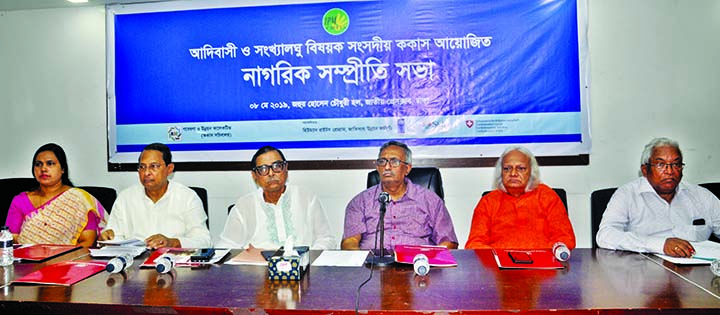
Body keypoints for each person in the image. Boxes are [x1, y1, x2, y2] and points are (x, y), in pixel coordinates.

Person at [596, 137, 720, 257]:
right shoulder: (627, 195)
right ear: (645, 170)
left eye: (676, 164)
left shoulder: (701, 196)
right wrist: (659, 244)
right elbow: (605, 235)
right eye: (661, 164)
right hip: (645, 271)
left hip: (698, 270)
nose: (670, 171)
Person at [341, 141, 458, 250]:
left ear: (407, 168)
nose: (387, 167)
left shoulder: (430, 200)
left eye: (394, 162)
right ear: (377, 167)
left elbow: (448, 242)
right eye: (382, 162)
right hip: (373, 266)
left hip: (417, 265)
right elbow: (350, 241)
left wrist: (429, 261)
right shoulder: (360, 202)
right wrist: (361, 264)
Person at [216, 146, 335, 249]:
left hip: (300, 269)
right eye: (263, 169)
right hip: (258, 271)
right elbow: (226, 246)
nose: (271, 173)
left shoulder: (307, 198)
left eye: (277, 166)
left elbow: (326, 239)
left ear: (286, 168)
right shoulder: (243, 206)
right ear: (254, 175)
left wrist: (307, 258)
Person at [100, 143, 211, 249]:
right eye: (142, 167)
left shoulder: (187, 197)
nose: (146, 172)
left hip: (174, 264)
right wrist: (108, 238)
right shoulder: (125, 197)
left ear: (169, 169)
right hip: (134, 264)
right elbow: (114, 235)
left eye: (154, 166)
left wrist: (172, 242)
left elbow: (204, 241)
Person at [465, 146, 576, 249]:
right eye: (507, 168)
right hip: (498, 267)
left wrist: (535, 257)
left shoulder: (547, 196)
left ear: (531, 172)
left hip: (541, 266)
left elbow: (565, 239)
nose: (513, 173)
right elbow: (474, 244)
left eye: (521, 168)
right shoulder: (488, 202)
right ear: (500, 172)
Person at [5, 143, 105, 248]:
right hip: (26, 261)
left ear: (63, 169)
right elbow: (11, 240)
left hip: (68, 260)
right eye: (38, 164)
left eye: (50, 163)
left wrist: (59, 259)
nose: (43, 169)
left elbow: (88, 242)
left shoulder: (79, 199)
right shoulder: (20, 200)